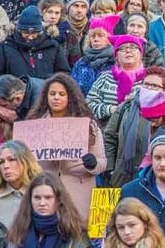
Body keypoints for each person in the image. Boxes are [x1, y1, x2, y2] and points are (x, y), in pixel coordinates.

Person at [25, 73, 106, 219]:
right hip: (46, 194)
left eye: (62, 94)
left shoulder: (89, 126)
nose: (56, 98)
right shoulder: (35, 126)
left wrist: (92, 163)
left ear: (71, 97)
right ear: (46, 96)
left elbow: (102, 162)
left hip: (79, 197)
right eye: (52, 93)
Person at [0, 6, 70, 82]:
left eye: (34, 33)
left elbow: (64, 74)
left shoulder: (52, 46)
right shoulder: (5, 47)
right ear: (19, 30)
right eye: (26, 33)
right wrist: (10, 86)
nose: (30, 37)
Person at [0, 141, 42, 228]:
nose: (6, 166)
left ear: (25, 161)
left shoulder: (42, 191)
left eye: (12, 159)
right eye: (1, 162)